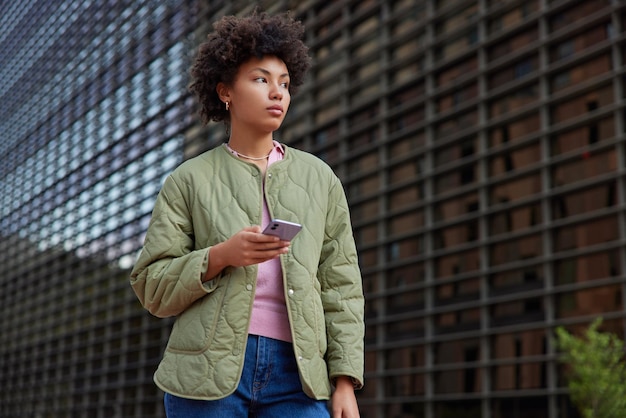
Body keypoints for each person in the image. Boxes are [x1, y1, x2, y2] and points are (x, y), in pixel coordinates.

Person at [130, 11, 364, 418]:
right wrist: (220, 256)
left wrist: (344, 381)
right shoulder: (189, 179)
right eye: (261, 79)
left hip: (301, 377)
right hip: (206, 374)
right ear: (225, 91)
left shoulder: (320, 179)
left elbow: (341, 286)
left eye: (285, 84)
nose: (278, 93)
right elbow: (152, 286)